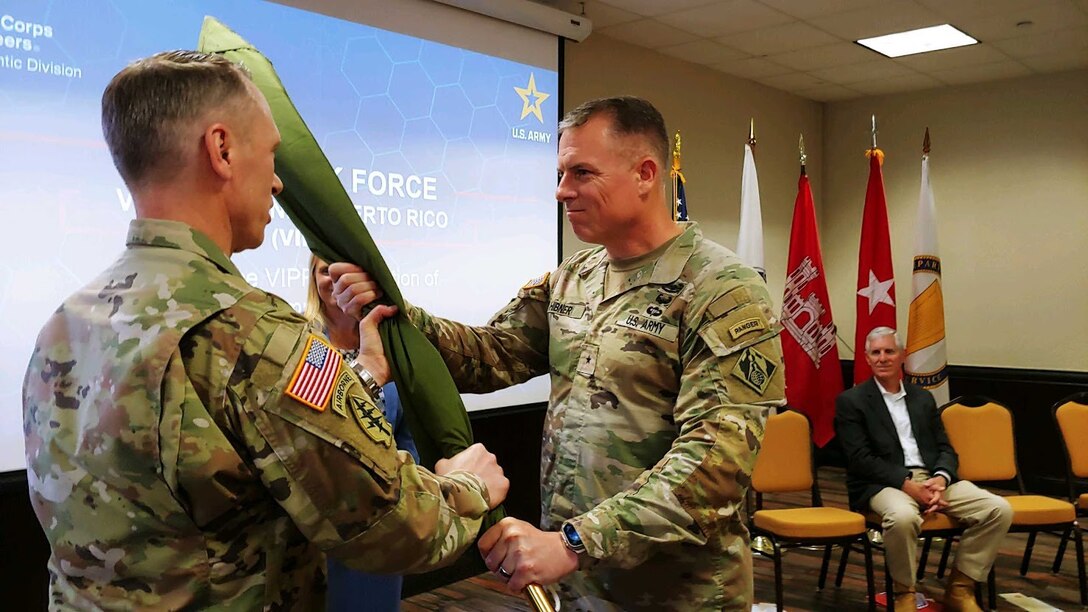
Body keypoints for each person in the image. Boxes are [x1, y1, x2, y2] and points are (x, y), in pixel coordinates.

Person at [21, 50, 508, 610]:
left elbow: (216, 454)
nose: (277, 182)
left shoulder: (65, 324)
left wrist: (363, 377)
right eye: (271, 154)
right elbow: (393, 529)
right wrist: (468, 487)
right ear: (222, 149)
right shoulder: (253, 333)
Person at [354, 96, 785, 610]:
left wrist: (575, 542)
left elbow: (714, 468)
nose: (562, 191)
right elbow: (490, 354)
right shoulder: (572, 278)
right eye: (561, 173)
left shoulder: (722, 290)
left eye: (582, 172)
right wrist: (395, 313)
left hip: (675, 590)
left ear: (646, 173)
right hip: (578, 585)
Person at [835, 327, 1012, 612]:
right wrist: (908, 486)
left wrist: (940, 479)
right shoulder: (851, 401)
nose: (882, 358)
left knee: (998, 509)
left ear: (902, 356)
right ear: (867, 358)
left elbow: (946, 449)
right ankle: (905, 592)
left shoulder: (923, 399)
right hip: (884, 483)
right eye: (876, 352)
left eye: (889, 351)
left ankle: (961, 587)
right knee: (903, 517)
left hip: (933, 480)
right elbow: (860, 459)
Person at [305, 254, 419, 611]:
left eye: (347, 272)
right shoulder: (300, 341)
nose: (336, 280)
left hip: (380, 515)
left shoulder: (391, 340)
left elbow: (406, 432)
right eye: (326, 271)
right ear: (313, 279)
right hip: (321, 520)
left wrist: (403, 489)